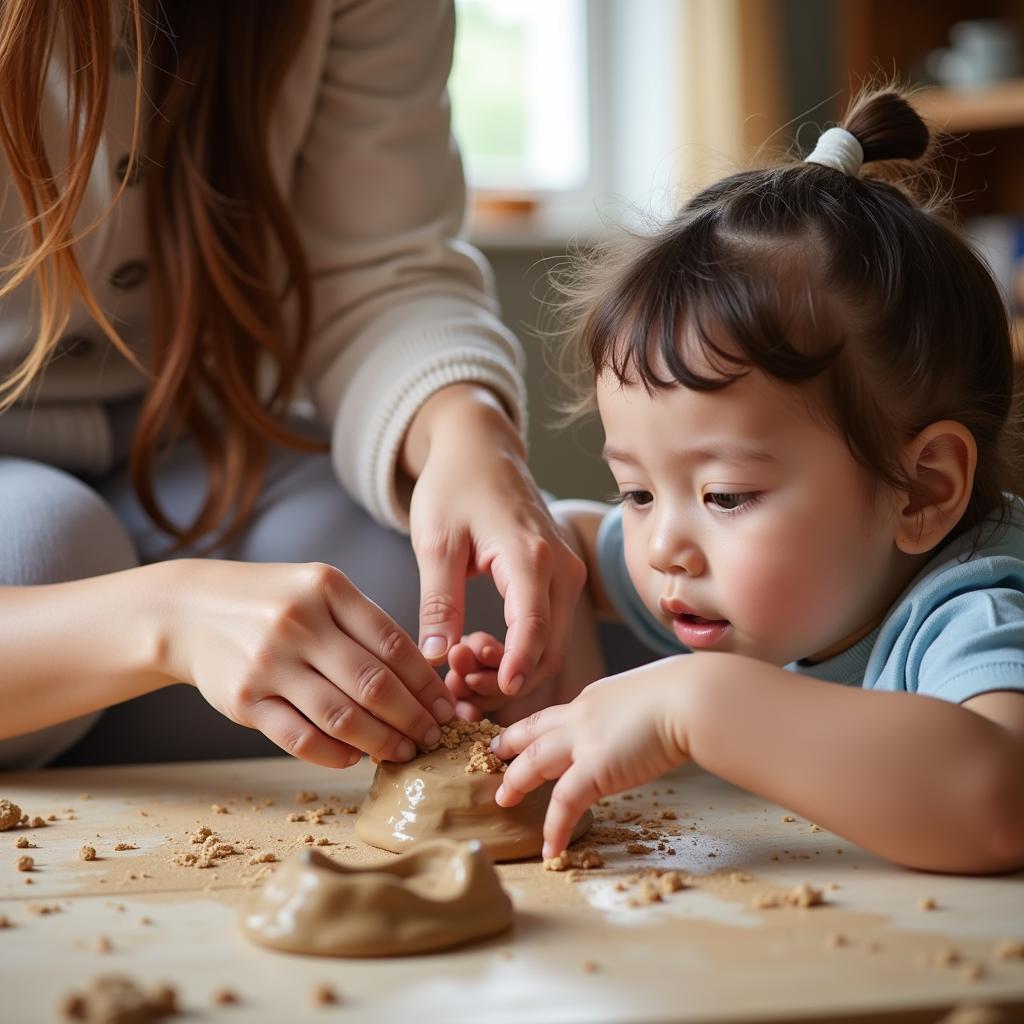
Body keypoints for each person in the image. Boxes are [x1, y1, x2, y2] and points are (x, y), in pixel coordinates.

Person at [445, 87, 1024, 875]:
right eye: (638, 493)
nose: (663, 550)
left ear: (921, 490)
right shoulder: (753, 572)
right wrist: (549, 660)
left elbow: (998, 803)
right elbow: (569, 546)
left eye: (724, 497)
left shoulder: (972, 611)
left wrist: (696, 706)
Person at [0, 1, 585, 769]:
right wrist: (168, 621)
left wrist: (466, 429)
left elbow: (377, 269)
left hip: (193, 445)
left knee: (472, 613)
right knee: (40, 555)